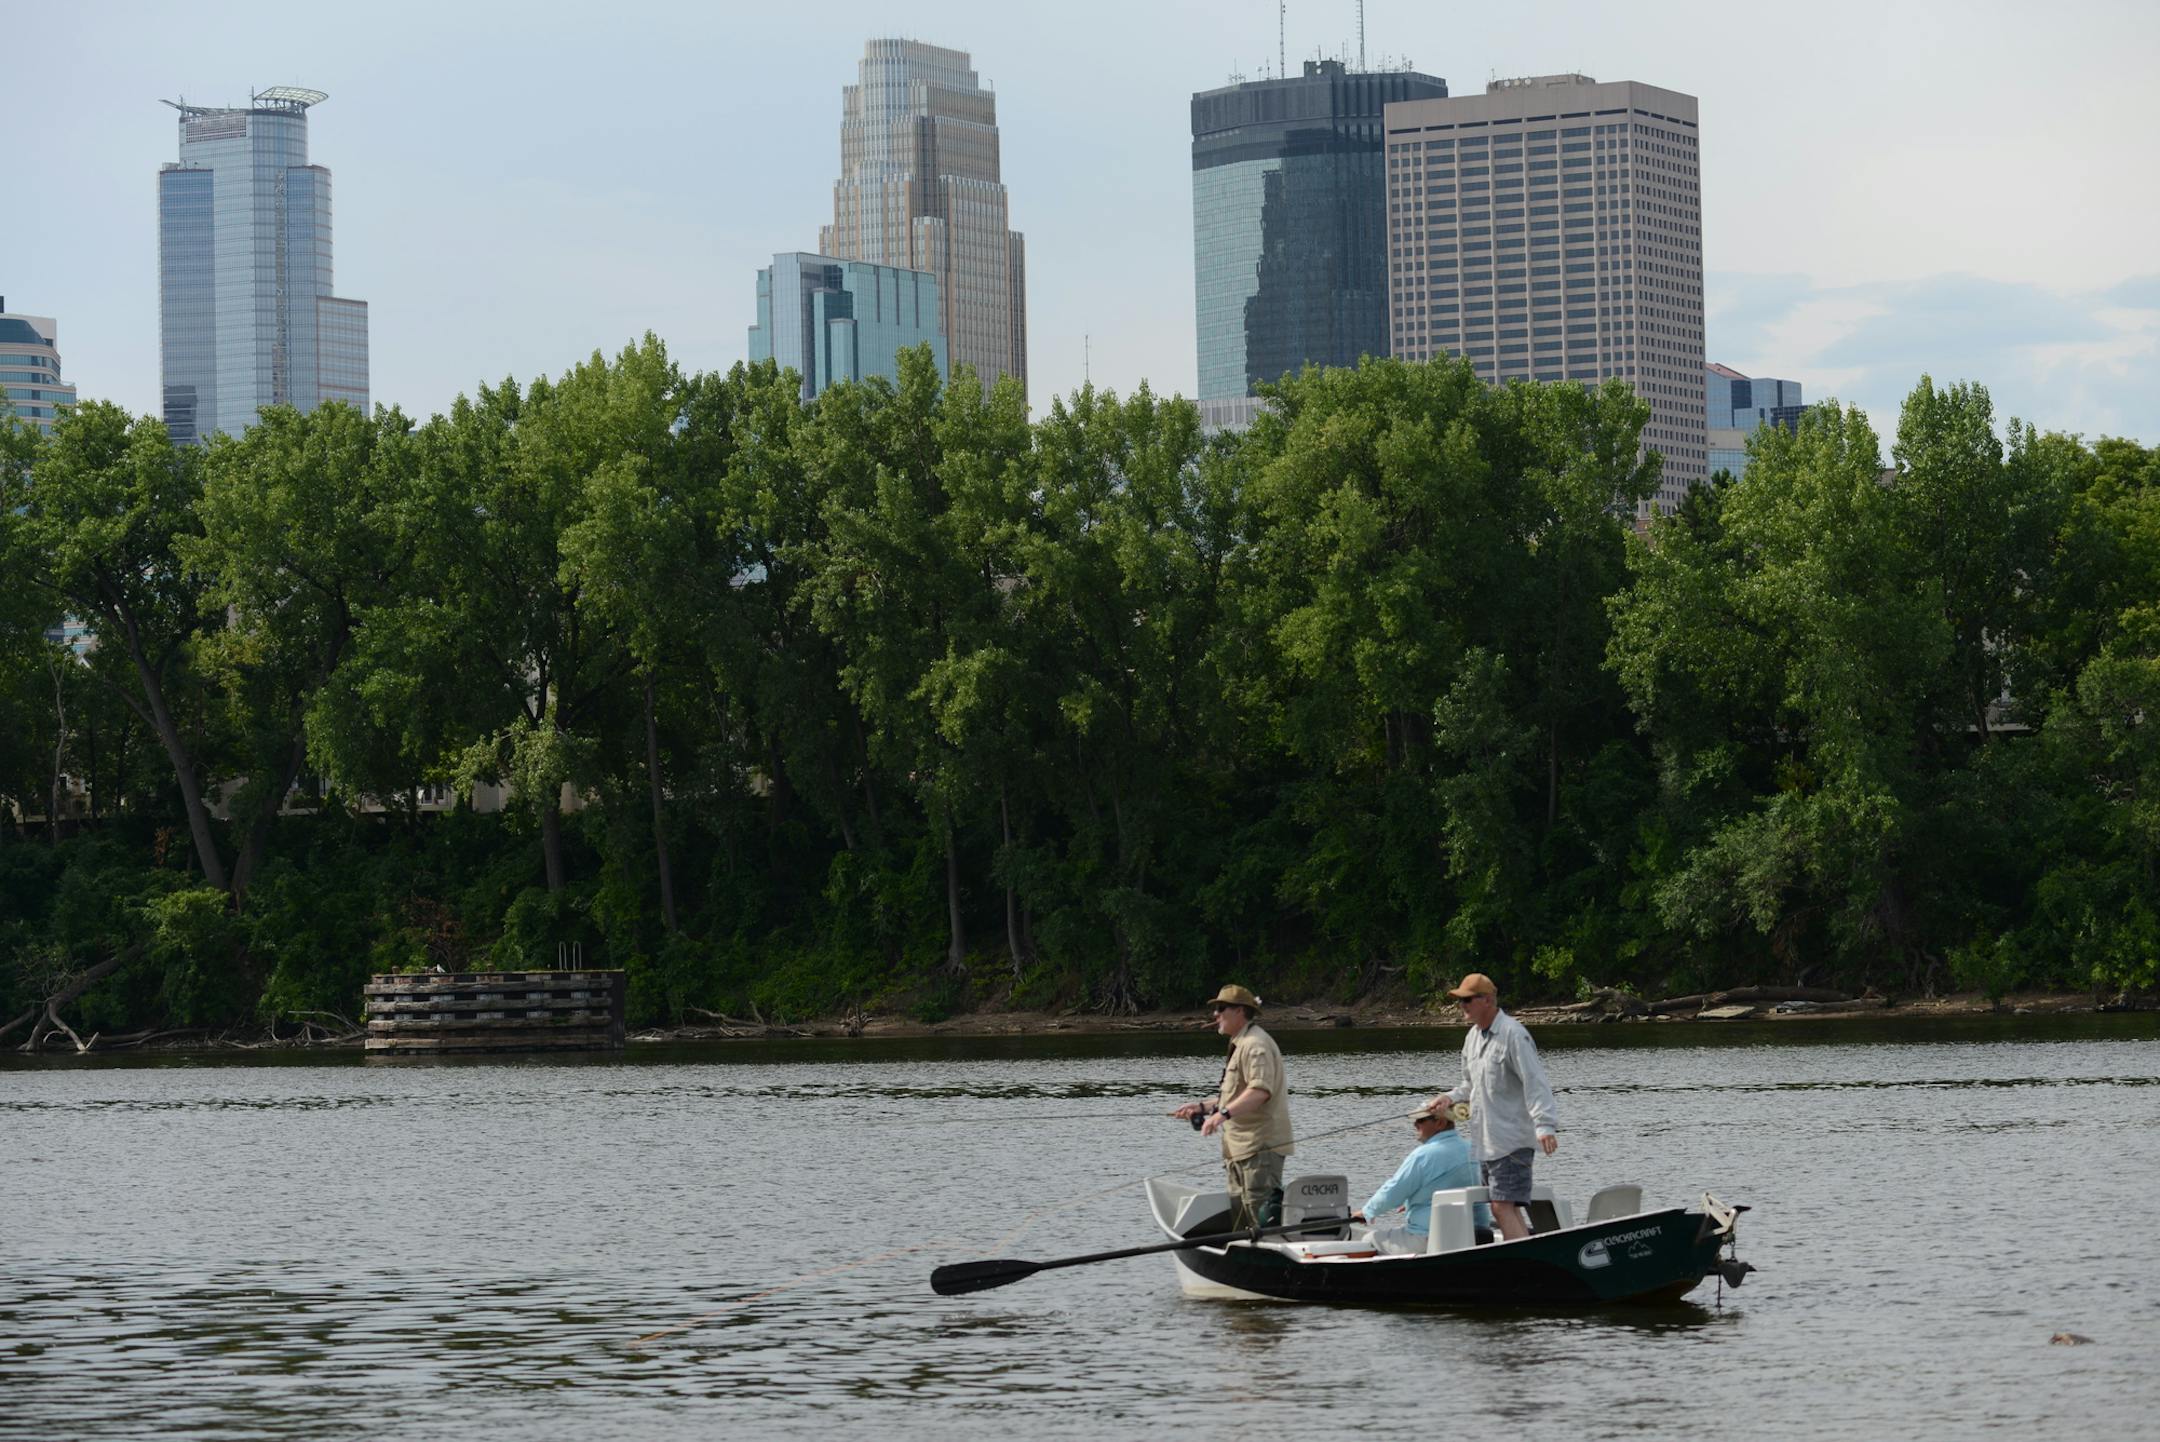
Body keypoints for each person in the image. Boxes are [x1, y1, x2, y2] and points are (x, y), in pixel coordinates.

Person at [1425, 972, 1558, 1242]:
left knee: (1501, 1207)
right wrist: (1448, 1098)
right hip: (1485, 1143)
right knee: (1504, 1207)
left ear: (1486, 1000)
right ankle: (1525, 1262)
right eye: (1460, 1001)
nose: (1462, 1006)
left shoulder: (1514, 1034)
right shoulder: (1471, 1038)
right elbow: (1468, 1086)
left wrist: (1544, 1125)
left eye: (1467, 1000)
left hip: (1512, 1141)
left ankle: (1522, 1268)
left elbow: (1535, 1082)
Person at [1169, 985, 1294, 1231]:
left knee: (1262, 1222)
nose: (1215, 1015)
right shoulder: (1241, 1043)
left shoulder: (1255, 1045)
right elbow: (1236, 1095)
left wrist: (1221, 1116)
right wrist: (1203, 1107)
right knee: (1242, 1222)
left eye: (1221, 1008)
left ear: (1239, 1011)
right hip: (1239, 1150)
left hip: (1259, 1149)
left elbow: (1259, 1092)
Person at [1353, 1103, 1489, 1253]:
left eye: (1421, 1120)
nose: (1415, 1124)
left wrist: (1367, 1212)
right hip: (1476, 1232)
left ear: (1440, 1123)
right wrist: (1412, 1199)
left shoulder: (1423, 1155)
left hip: (1430, 1237)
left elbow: (1393, 1191)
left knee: (1368, 1240)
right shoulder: (1472, 1148)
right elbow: (1454, 1183)